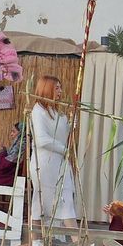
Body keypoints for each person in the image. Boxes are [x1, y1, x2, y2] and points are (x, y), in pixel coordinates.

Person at [28, 75, 76, 232]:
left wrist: (71, 125)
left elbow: (61, 135)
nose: (60, 91)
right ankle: (35, 239)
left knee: (66, 198)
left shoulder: (57, 112)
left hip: (60, 162)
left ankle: (77, 241)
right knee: (40, 200)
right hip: (45, 163)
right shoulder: (38, 111)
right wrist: (64, 150)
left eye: (60, 88)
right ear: (47, 89)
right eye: (56, 88)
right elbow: (42, 139)